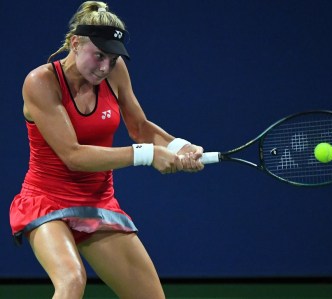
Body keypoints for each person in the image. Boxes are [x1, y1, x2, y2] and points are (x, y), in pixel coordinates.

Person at [9, 1, 204, 298]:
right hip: (46, 201)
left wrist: (181, 145)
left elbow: (140, 127)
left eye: (112, 59)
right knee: (72, 280)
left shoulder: (114, 71)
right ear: (75, 43)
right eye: (98, 55)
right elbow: (73, 156)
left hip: (100, 203)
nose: (105, 67)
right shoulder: (40, 82)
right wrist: (148, 154)